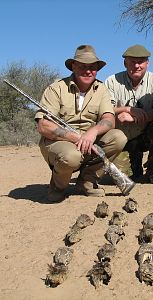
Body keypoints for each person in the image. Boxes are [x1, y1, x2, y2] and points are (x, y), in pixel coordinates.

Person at [35, 45, 127, 202]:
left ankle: (87, 182)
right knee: (71, 155)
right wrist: (76, 138)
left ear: (97, 69)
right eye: (82, 66)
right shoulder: (56, 88)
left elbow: (109, 120)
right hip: (61, 142)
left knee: (118, 137)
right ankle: (57, 187)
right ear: (73, 66)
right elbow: (43, 125)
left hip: (89, 141)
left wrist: (92, 132)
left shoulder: (101, 89)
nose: (88, 71)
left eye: (92, 67)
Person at [105, 44, 153, 183]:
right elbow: (104, 110)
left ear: (147, 63)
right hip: (122, 138)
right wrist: (126, 109)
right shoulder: (112, 81)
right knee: (124, 178)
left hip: (146, 133)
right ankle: (134, 166)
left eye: (141, 62)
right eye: (132, 62)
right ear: (125, 63)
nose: (137, 66)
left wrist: (135, 118)